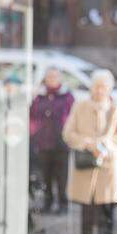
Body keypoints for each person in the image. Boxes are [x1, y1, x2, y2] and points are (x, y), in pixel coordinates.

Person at [63, 69, 117, 234]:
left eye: (104, 87)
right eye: (97, 86)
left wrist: (106, 144)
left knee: (107, 208)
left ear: (109, 89)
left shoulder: (115, 109)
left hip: (107, 166)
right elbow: (68, 133)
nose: (100, 90)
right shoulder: (80, 106)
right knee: (86, 207)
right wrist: (87, 143)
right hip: (85, 164)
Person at [30, 67, 74, 214]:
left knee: (61, 177)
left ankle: (63, 204)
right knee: (46, 176)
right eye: (49, 77)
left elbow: (72, 118)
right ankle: (48, 203)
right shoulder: (39, 96)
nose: (52, 79)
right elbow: (33, 116)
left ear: (60, 78)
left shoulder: (67, 96)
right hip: (43, 142)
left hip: (61, 142)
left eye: (55, 77)